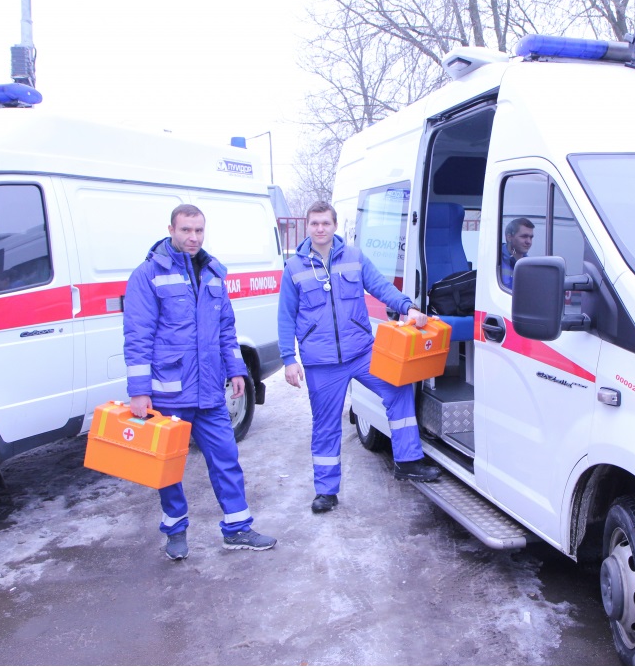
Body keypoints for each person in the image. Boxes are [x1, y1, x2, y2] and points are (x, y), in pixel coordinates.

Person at [123, 203, 277, 560]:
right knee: (168, 468)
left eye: (199, 231)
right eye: (186, 230)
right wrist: (139, 392)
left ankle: (237, 528)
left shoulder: (212, 274)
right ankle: (176, 532)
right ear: (171, 230)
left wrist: (236, 370)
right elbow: (138, 336)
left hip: (209, 392)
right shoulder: (148, 275)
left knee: (226, 458)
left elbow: (226, 330)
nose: (193, 237)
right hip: (169, 393)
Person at [278, 201, 441, 514]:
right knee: (326, 425)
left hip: (361, 352)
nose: (320, 229)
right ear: (307, 226)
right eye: (314, 224)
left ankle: (407, 461)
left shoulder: (353, 257)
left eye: (325, 223)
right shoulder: (294, 268)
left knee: (399, 389)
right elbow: (286, 316)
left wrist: (408, 308)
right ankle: (326, 491)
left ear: (335, 225)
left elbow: (381, 286)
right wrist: (288, 359)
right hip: (321, 362)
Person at [501, 217, 535, 289]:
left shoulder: (529, 265)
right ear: (509, 237)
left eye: (531, 237)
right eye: (524, 236)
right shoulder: (495, 259)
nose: (529, 242)